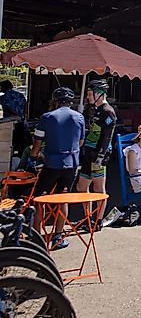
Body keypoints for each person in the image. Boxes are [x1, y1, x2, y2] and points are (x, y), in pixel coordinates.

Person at [30, 87, 85, 249]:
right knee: (63, 198)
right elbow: (81, 142)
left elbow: (37, 142)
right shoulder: (79, 117)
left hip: (52, 163)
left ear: (55, 100)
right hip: (71, 164)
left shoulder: (46, 117)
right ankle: (58, 236)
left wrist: (33, 157)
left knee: (39, 199)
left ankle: (36, 236)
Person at [77, 79, 116, 224]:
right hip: (89, 152)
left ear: (99, 94)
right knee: (81, 187)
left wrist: (101, 155)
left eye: (90, 94)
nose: (88, 97)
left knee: (98, 189)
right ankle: (87, 218)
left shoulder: (108, 111)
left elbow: (107, 135)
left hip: (99, 155)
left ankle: (98, 220)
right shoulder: (96, 110)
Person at [0, 80, 29, 157]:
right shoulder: (20, 95)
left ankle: (11, 158)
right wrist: (23, 115)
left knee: (10, 143)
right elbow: (26, 105)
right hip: (21, 122)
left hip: (10, 123)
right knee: (21, 143)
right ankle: (20, 158)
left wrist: (16, 114)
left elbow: (8, 108)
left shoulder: (4, 97)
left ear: (4, 87)